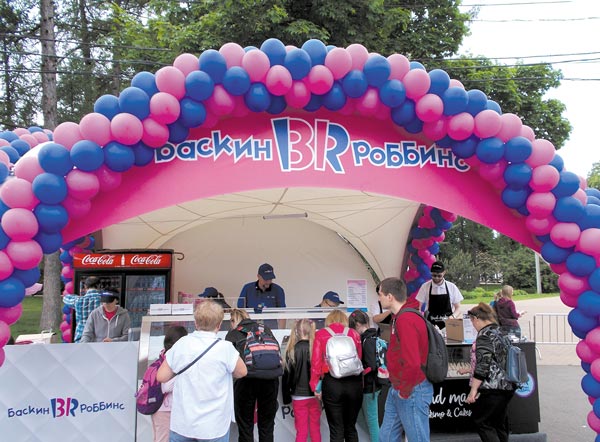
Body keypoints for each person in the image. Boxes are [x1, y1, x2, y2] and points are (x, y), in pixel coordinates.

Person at [157, 301, 247, 442]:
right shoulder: (225, 348)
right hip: (214, 425)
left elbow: (161, 376)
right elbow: (242, 372)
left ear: (196, 323)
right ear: (219, 325)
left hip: (183, 423)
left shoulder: (182, 344)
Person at [378, 277, 433, 442]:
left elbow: (413, 362)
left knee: (417, 438)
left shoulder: (406, 319)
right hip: (400, 386)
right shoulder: (400, 317)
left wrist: (405, 391)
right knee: (386, 437)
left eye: (380, 294)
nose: (379, 298)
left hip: (411, 389)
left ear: (390, 297)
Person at [226, 309, 281, 442]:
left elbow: (229, 364)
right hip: (270, 379)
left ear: (233, 321)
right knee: (267, 425)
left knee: (245, 425)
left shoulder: (233, 334)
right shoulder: (265, 329)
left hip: (246, 380)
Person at [465, 303, 516, 442]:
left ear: (476, 318)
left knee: (482, 422)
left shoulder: (484, 335)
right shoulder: (501, 331)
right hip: (508, 384)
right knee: (499, 423)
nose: (473, 326)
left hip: (492, 386)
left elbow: (483, 364)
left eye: (471, 321)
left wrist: (473, 390)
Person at [310, 309, 363, 442]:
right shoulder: (354, 334)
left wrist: (315, 386)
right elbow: (359, 358)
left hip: (332, 383)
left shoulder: (321, 334)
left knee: (336, 429)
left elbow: (316, 363)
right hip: (354, 383)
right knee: (351, 427)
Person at [282, 318, 321, 442]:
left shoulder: (291, 350)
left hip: (298, 396)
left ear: (297, 331)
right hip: (315, 394)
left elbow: (286, 377)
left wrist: (286, 397)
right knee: (315, 429)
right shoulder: (316, 349)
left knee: (301, 431)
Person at [348, 309, 382, 442]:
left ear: (357, 324)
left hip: (369, 386)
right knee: (366, 419)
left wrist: (358, 371)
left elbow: (371, 366)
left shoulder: (367, 340)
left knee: (372, 421)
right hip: (372, 385)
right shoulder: (373, 337)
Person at [151, 325, 188, 442]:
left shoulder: (164, 356)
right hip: (165, 408)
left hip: (163, 407)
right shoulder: (170, 358)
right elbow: (165, 386)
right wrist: (185, 375)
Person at [416, 260, 464, 329]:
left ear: (444, 273)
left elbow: (458, 307)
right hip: (431, 326)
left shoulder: (452, 287)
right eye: (434, 275)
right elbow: (418, 307)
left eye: (439, 275)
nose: (436, 278)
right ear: (431, 273)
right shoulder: (425, 287)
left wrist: (453, 317)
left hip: (448, 325)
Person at [63, 276, 103, 343]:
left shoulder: (78, 300)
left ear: (85, 286)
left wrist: (76, 296)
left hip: (81, 338)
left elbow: (65, 298)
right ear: (99, 286)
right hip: (99, 339)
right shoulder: (104, 301)